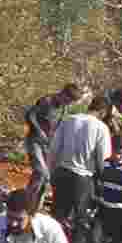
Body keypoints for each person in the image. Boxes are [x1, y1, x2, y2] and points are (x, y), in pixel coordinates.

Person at [48, 94, 112, 243]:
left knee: (57, 218)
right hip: (83, 178)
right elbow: (102, 160)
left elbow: (54, 149)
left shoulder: (68, 120)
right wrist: (102, 183)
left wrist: (52, 174)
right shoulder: (101, 127)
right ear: (103, 111)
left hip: (61, 173)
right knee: (81, 223)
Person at [25, 83, 83, 211]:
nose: (69, 103)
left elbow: (60, 126)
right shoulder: (47, 101)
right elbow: (30, 115)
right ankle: (27, 204)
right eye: (69, 100)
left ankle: (35, 208)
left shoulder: (64, 109)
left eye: (71, 102)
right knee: (42, 172)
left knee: (44, 180)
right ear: (63, 94)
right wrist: (39, 131)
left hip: (49, 145)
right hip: (35, 142)